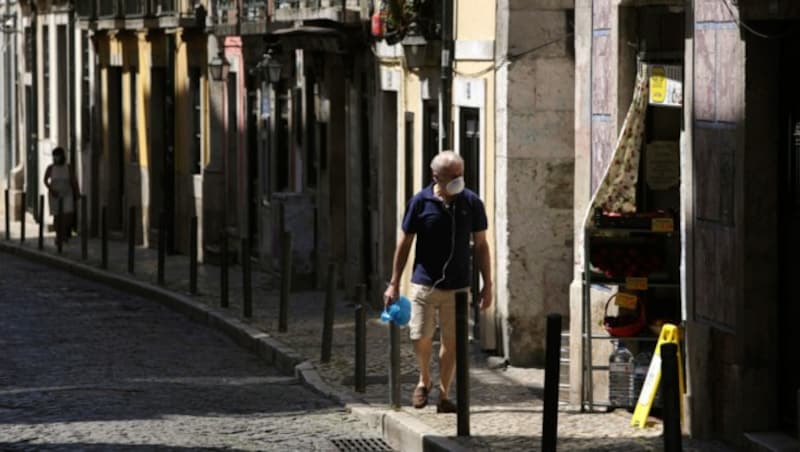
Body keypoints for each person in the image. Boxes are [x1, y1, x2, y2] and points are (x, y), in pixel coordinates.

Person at [383, 150, 492, 413]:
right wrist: (394, 282)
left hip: (458, 286)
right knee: (419, 335)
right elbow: (405, 242)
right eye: (451, 176)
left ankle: (444, 395)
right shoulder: (420, 202)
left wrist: (487, 283)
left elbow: (480, 245)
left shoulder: (472, 203)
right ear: (436, 176)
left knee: (452, 343)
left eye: (460, 174)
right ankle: (424, 379)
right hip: (424, 283)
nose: (457, 180)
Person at [44, 147, 79, 245]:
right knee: (57, 216)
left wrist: (77, 193)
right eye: (55, 156)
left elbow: (73, 181)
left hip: (67, 193)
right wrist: (51, 189)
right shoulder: (50, 168)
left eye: (58, 155)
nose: (56, 158)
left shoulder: (68, 167)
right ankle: (59, 235)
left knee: (68, 214)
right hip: (54, 194)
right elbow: (45, 180)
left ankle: (64, 233)